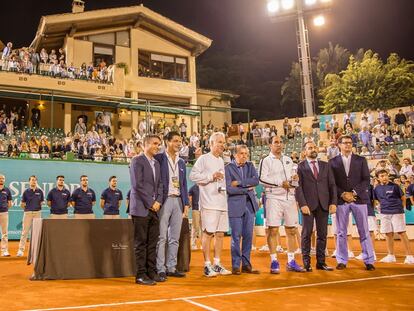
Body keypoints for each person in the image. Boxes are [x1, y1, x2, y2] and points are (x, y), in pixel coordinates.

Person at [258, 136, 305, 274]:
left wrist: (295, 180)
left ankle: (291, 261)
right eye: (276, 142)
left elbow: (293, 181)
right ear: (270, 145)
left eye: (280, 142)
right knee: (273, 230)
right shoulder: (265, 160)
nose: (279, 145)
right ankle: (274, 261)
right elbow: (261, 178)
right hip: (273, 198)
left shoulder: (288, 160)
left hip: (289, 198)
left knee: (291, 230)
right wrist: (280, 183)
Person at [329, 135, 375, 271]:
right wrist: (343, 194)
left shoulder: (361, 160)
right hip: (341, 200)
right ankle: (342, 260)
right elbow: (331, 183)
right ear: (339, 145)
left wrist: (353, 193)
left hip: (359, 199)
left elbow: (366, 179)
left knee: (364, 231)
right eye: (345, 143)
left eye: (350, 143)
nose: (348, 145)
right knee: (341, 232)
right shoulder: (332, 162)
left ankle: (369, 260)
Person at [190, 132, 232, 277]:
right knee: (208, 234)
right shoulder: (203, 159)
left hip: (221, 202)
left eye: (223, 142)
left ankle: (217, 263)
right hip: (208, 203)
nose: (222, 145)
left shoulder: (221, 161)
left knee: (220, 234)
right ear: (211, 144)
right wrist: (211, 176)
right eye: (219, 142)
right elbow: (193, 176)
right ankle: (207, 265)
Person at [295, 142, 337, 272]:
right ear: (304, 151)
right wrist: (302, 204)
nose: (313, 149)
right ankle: (306, 263)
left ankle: (321, 262)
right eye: (309, 148)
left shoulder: (326, 165)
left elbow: (332, 185)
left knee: (322, 234)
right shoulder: (299, 167)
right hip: (308, 205)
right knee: (306, 234)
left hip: (323, 204)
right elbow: (298, 187)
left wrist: (333, 202)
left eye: (314, 147)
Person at [154, 132, 189, 280]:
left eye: (180, 141)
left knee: (174, 237)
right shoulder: (159, 158)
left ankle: (171, 267)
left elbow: (183, 184)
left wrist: (186, 203)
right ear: (167, 142)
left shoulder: (181, 162)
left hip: (178, 201)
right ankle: (160, 268)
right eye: (175, 141)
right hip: (164, 200)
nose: (179, 143)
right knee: (162, 237)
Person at [129, 135, 163, 285]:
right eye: (155, 144)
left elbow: (160, 185)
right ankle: (140, 275)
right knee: (140, 243)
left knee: (152, 243)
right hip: (141, 208)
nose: (158, 146)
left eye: (159, 144)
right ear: (146, 144)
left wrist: (159, 202)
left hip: (154, 208)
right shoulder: (137, 160)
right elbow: (137, 185)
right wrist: (151, 203)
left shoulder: (156, 163)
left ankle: (151, 272)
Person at [225, 145, 260, 275]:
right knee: (236, 236)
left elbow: (255, 181)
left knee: (248, 236)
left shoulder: (250, 165)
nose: (244, 156)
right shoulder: (227, 168)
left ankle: (246, 265)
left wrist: (239, 182)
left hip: (249, 206)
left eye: (246, 153)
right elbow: (229, 189)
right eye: (241, 153)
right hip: (234, 206)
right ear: (235, 155)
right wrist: (246, 188)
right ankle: (235, 265)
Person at [374, 170, 414, 264]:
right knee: (388, 234)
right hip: (384, 213)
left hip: (397, 212)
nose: (384, 177)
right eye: (382, 176)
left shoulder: (395, 186)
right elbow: (376, 200)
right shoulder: (377, 188)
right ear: (378, 178)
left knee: (401, 232)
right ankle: (390, 255)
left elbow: (403, 198)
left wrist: (403, 208)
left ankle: (409, 256)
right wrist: (378, 207)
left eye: (385, 175)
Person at [17, 176, 44, 257]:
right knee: (24, 232)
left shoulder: (40, 191)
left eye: (35, 180)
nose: (34, 181)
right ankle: (21, 250)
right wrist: (28, 209)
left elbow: (42, 202)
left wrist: (36, 208)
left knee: (36, 233)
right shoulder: (26, 192)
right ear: (29, 182)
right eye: (32, 180)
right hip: (28, 213)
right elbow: (22, 204)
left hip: (37, 213)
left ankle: (35, 251)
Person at [0, 174, 12, 257]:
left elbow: (10, 203)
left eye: (3, 178)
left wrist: (4, 208)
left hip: (4, 213)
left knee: (4, 233)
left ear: (4, 180)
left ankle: (4, 251)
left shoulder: (7, 190)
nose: (1, 180)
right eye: (0, 178)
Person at [189, 184, 201, 250]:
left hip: (203, 209)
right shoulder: (192, 188)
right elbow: (190, 198)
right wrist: (189, 204)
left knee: (203, 227)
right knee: (195, 227)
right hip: (195, 209)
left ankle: (203, 245)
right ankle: (193, 244)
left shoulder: (204, 186)